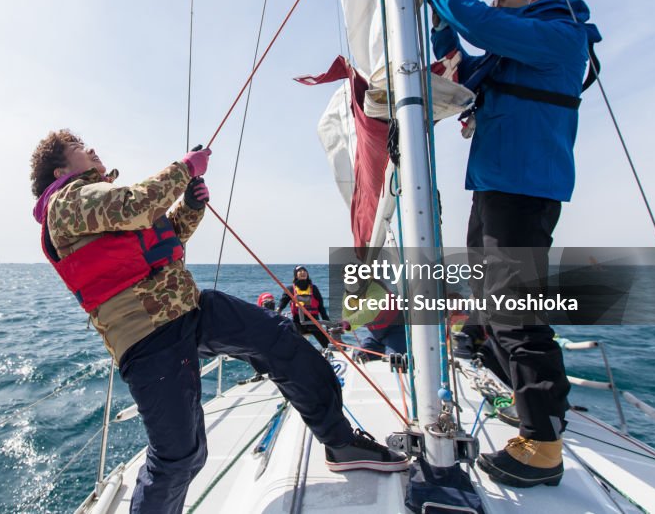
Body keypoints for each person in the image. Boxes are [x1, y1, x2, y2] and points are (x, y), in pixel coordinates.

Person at [30, 131, 407, 514]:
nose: (92, 148)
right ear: (61, 170)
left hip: (189, 308)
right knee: (181, 454)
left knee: (281, 342)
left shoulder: (96, 203)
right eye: (79, 147)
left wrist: (190, 206)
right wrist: (184, 169)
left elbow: (167, 235)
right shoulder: (68, 202)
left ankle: (340, 442)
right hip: (148, 336)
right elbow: (137, 204)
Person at [426, 0, 601, 489]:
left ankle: (543, 445)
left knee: (515, 312)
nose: (497, 3)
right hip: (498, 184)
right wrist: (440, 24)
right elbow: (467, 55)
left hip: (523, 187)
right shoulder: (524, 47)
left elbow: (484, 24)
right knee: (489, 303)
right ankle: (521, 397)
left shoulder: (558, 34)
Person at [277, 266, 331, 349]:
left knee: (328, 344)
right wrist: (278, 311)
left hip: (313, 323)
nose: (303, 272)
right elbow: (282, 303)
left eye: (304, 271)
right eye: (300, 271)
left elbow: (321, 308)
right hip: (298, 324)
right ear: (295, 275)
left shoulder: (314, 289)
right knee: (291, 340)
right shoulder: (290, 289)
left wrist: (328, 325)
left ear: (307, 274)